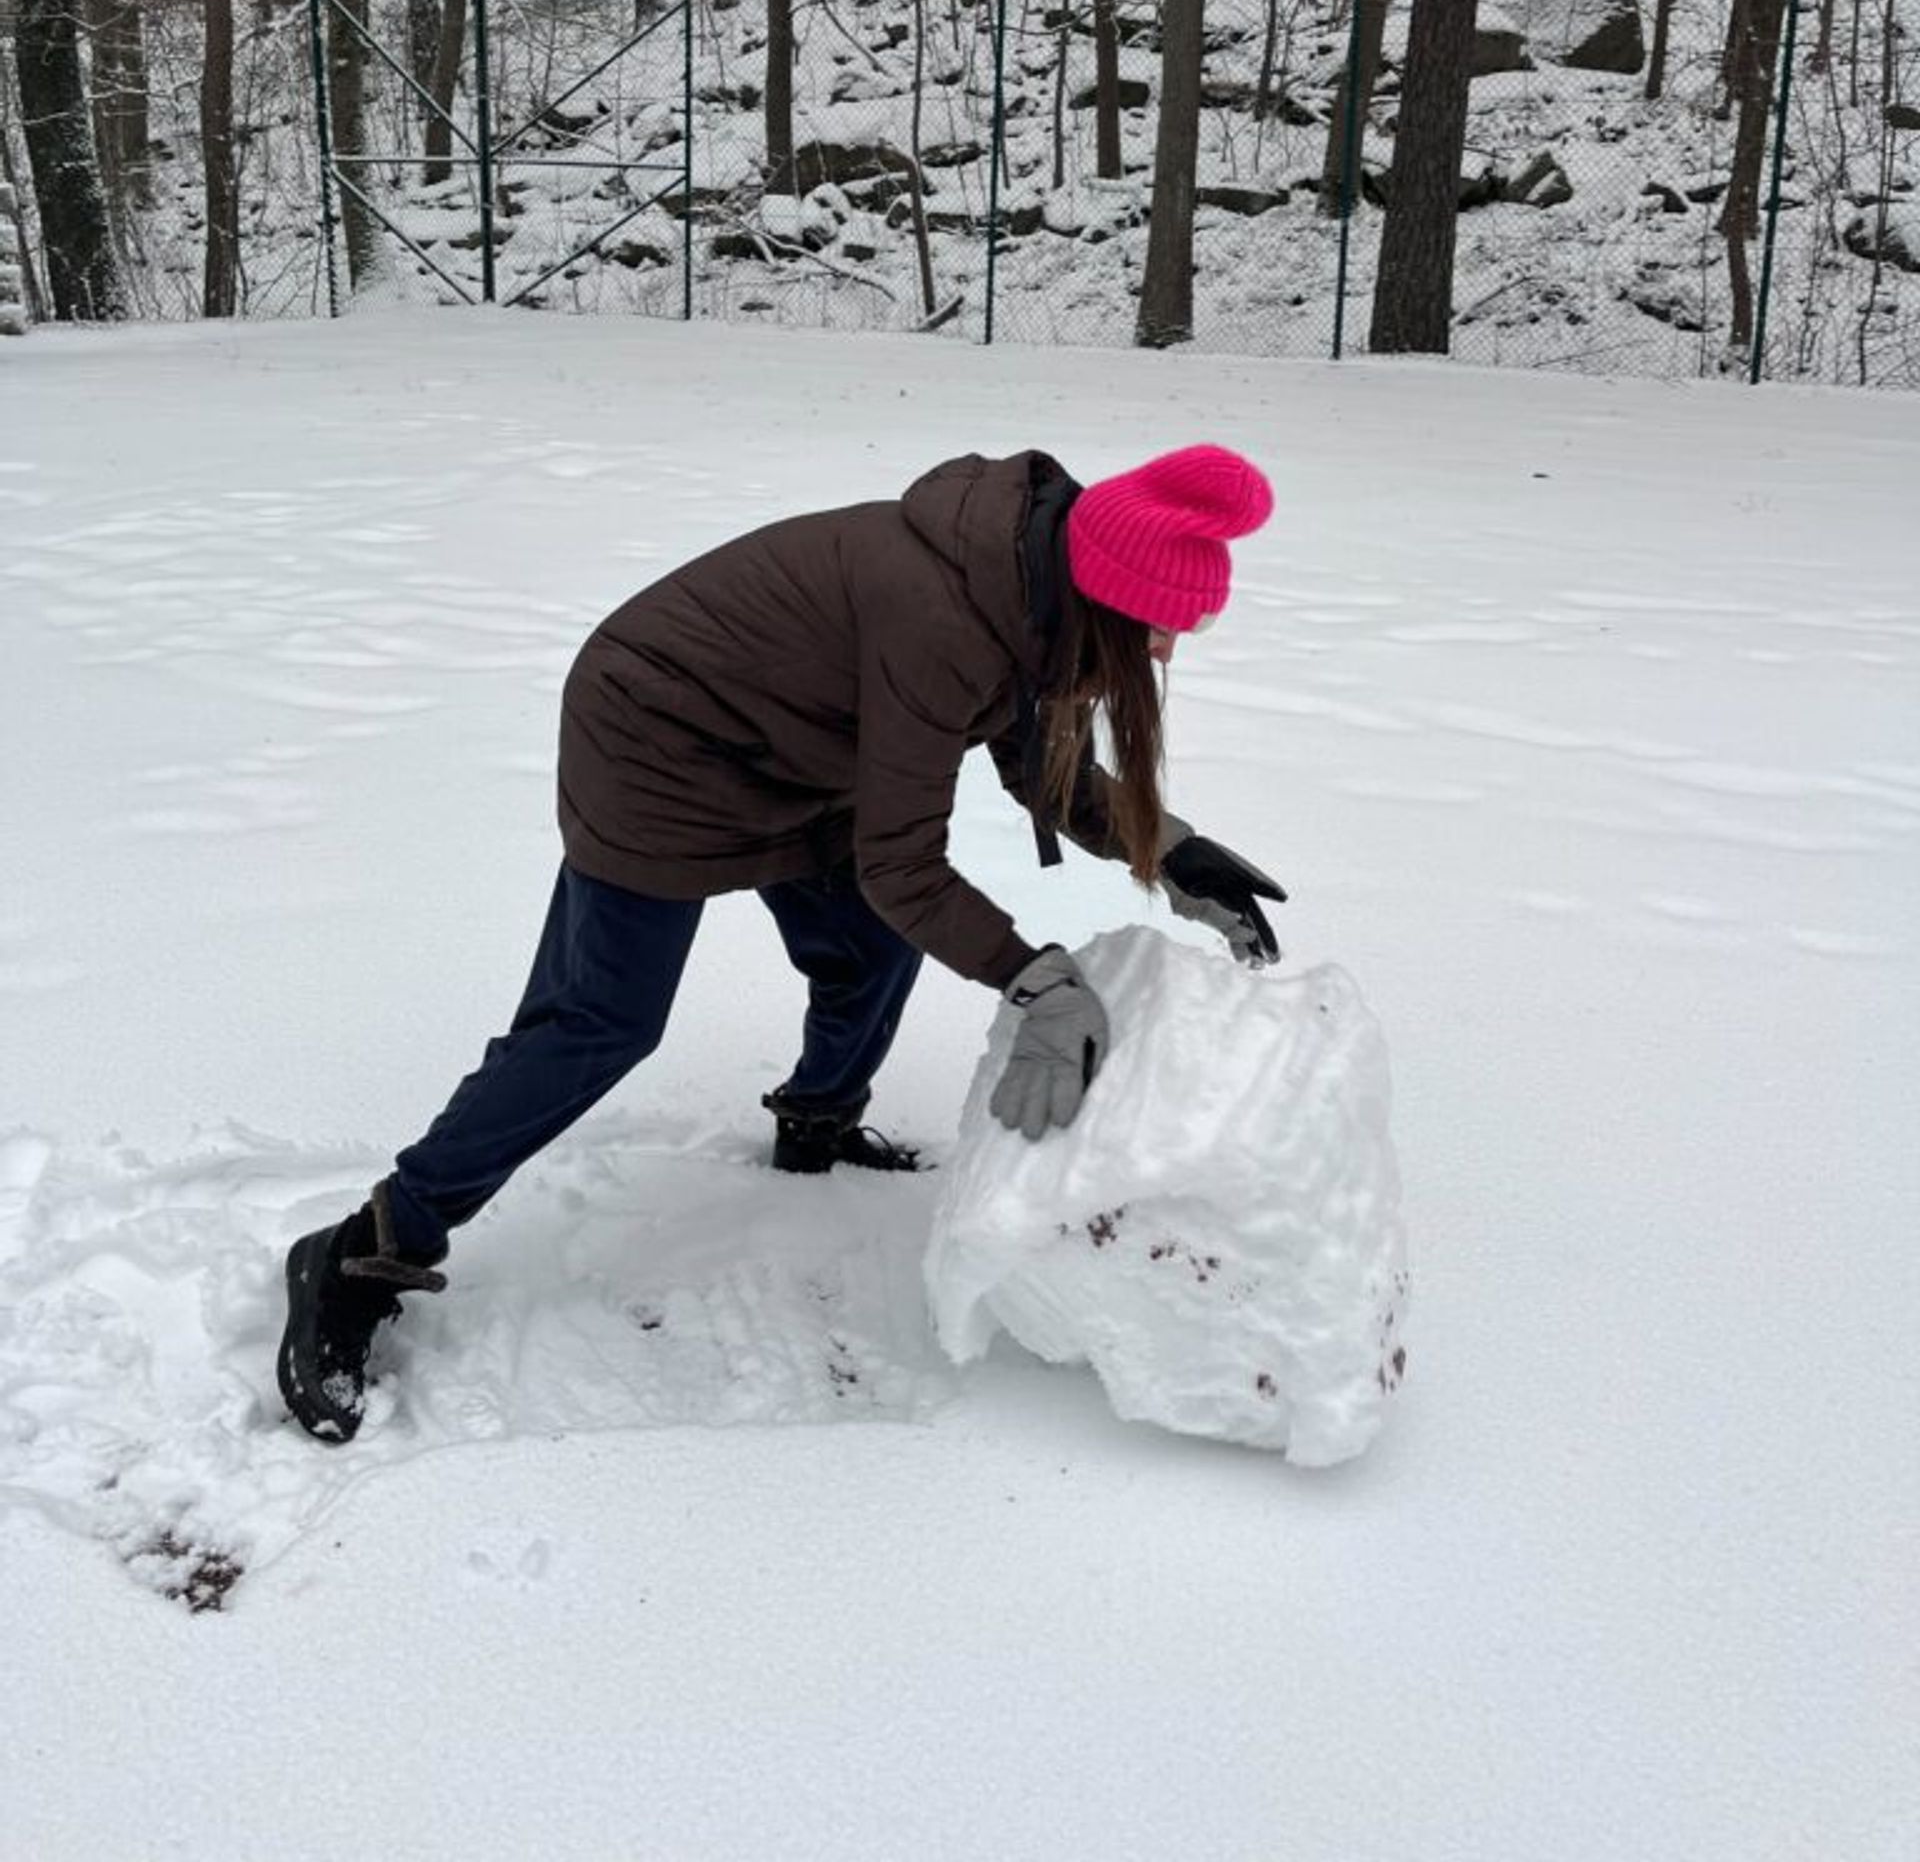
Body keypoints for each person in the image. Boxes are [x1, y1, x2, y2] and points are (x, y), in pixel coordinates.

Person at [277, 442, 1285, 1442]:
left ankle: (818, 1122)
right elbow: (904, 862)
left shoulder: (1028, 588)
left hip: (796, 750)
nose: (1163, 653)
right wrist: (1033, 977)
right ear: (1106, 591)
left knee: (869, 943)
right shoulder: (944, 614)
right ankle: (369, 1243)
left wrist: (1174, 852)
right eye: (1159, 627)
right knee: (601, 1019)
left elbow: (1035, 773)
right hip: (656, 736)